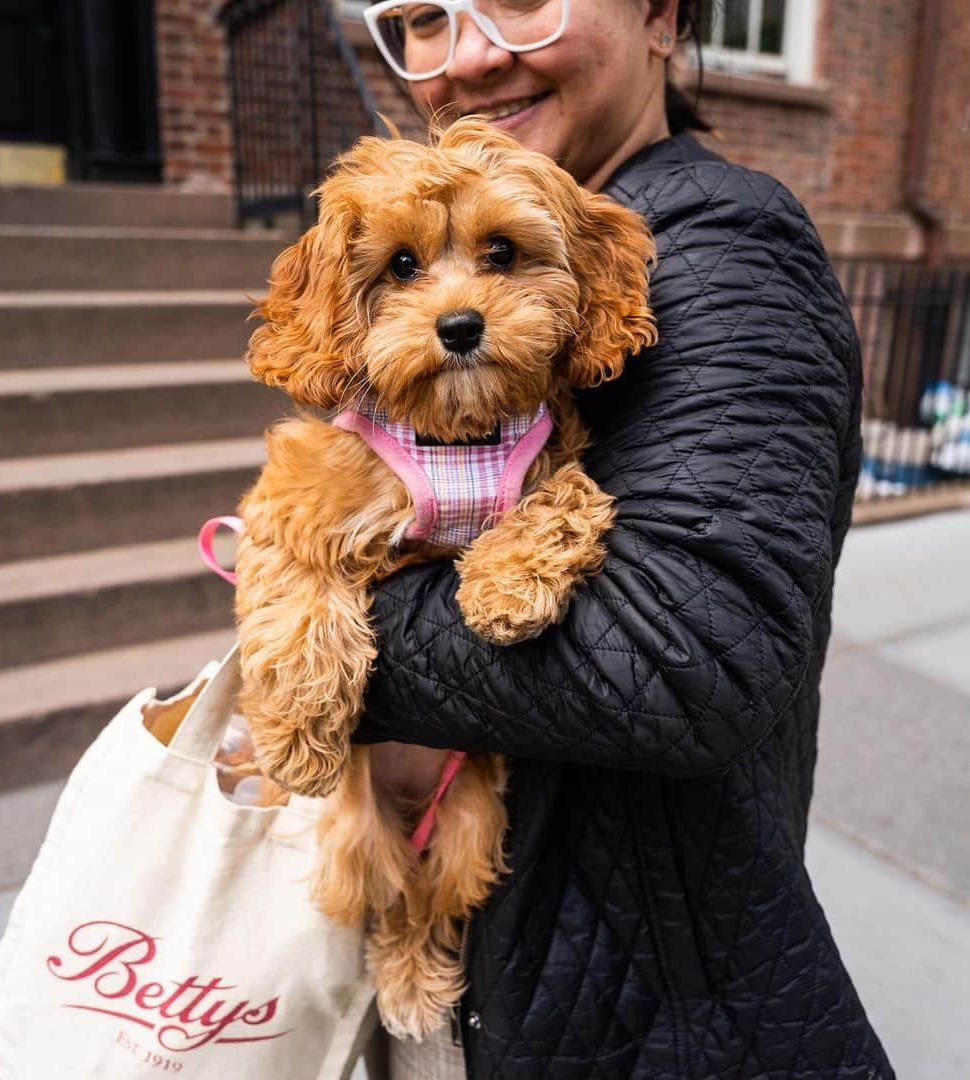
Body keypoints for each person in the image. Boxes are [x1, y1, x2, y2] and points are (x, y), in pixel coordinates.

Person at [355, 0, 894, 1076]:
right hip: (496, 960)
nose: (462, 57)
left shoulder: (714, 257)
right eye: (418, 18)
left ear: (660, 16)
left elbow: (686, 663)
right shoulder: (472, 247)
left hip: (630, 1005)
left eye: (513, 1)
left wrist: (330, 630)